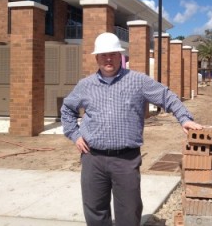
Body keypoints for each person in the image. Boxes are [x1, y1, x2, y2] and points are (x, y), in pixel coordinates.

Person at [61, 32, 202, 226]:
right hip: (93, 158)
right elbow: (67, 109)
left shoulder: (138, 81)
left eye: (112, 54)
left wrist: (184, 119)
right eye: (103, 55)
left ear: (121, 56)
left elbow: (166, 96)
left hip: (126, 159)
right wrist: (75, 135)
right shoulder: (85, 85)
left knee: (129, 211)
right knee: (95, 210)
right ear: (96, 58)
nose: (108, 59)